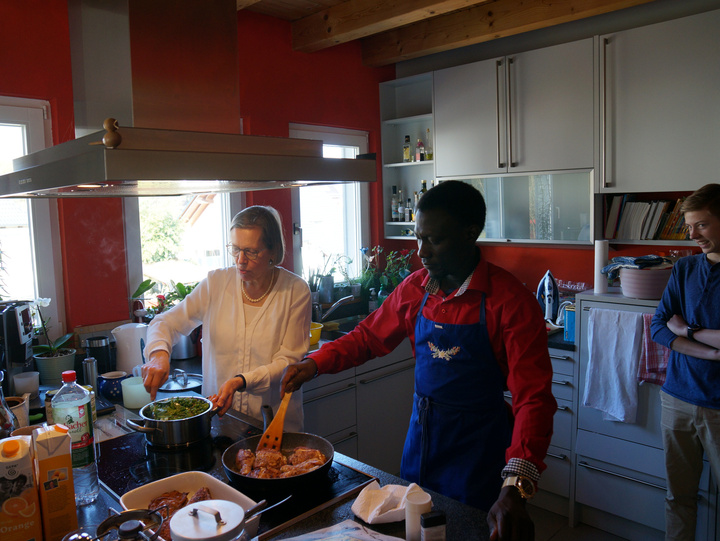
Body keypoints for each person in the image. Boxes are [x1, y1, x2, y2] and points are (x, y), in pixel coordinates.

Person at [282, 181, 556, 540]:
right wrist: (316, 363)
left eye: (434, 240)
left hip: (479, 447)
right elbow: (368, 337)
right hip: (422, 439)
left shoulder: (510, 302)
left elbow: (533, 398)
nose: (422, 252)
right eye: (418, 238)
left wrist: (515, 487)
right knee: (414, 529)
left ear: (470, 233)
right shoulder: (415, 289)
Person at [142, 205, 311, 432]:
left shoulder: (295, 291)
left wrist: (242, 381)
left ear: (273, 251)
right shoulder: (216, 284)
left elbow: (287, 362)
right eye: (235, 249)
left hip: (274, 426)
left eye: (251, 251)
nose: (240, 260)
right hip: (219, 423)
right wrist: (158, 354)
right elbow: (165, 322)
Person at [651, 183, 720, 541]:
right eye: (690, 226)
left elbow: (674, 327)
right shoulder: (685, 268)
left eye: (702, 225)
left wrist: (688, 331)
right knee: (678, 497)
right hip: (677, 397)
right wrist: (711, 350)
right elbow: (658, 327)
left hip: (718, 406)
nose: (693, 235)